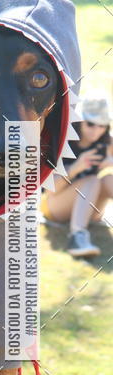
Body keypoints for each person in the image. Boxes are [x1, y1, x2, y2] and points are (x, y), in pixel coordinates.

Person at [41, 97, 113, 257]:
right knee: (93, 180)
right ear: (80, 120)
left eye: (102, 125)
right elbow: (49, 190)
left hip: (90, 208)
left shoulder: (106, 142)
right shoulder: (62, 140)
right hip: (55, 207)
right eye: (91, 124)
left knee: (108, 178)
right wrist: (75, 168)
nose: (96, 130)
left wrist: (109, 162)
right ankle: (77, 236)